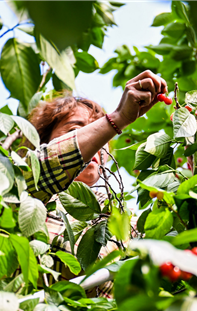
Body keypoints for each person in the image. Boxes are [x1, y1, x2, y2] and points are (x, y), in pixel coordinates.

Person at [23, 70, 168, 296]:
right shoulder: (23, 194)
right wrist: (117, 118)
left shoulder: (121, 219)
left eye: (100, 135)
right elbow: (40, 170)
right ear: (44, 141)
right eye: (75, 129)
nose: (97, 141)